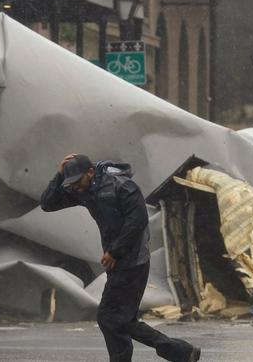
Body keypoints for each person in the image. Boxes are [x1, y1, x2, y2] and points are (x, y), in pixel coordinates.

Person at [41, 154, 201, 362]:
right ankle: (181, 352)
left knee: (110, 318)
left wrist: (115, 251)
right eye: (71, 183)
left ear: (90, 172)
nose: (75, 188)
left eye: (77, 181)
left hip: (134, 262)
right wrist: (60, 174)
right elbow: (47, 204)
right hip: (118, 263)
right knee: (121, 320)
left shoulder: (122, 187)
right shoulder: (85, 190)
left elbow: (137, 221)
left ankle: (179, 351)